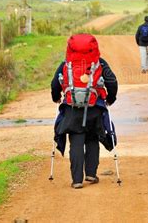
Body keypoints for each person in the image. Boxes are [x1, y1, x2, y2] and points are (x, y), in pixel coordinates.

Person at [51, 34, 118, 189]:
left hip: (72, 110)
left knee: (75, 141)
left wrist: (56, 97)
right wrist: (110, 99)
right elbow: (112, 81)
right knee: (93, 138)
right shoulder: (100, 63)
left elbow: (55, 83)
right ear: (94, 47)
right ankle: (91, 173)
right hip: (95, 109)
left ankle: (77, 180)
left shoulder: (66, 64)